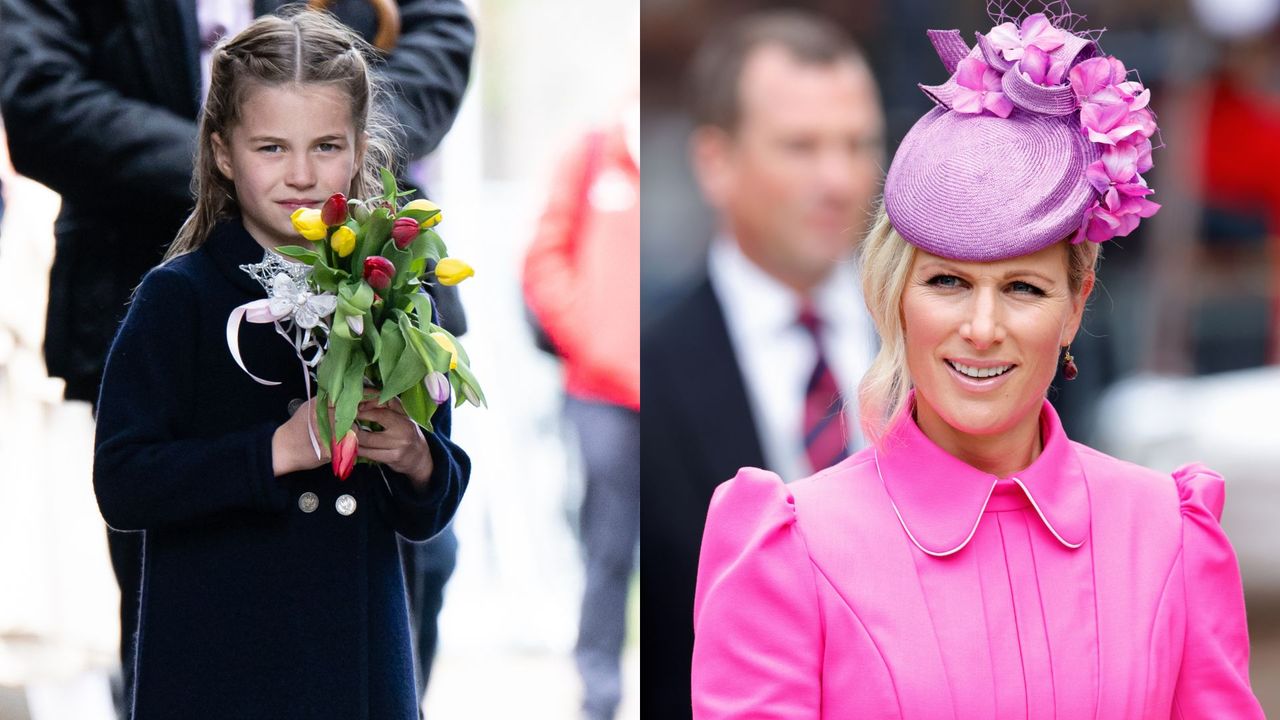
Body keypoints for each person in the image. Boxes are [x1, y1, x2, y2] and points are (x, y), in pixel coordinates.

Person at [691, 9, 1266, 718]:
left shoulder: (1169, 533)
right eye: (948, 282)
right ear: (896, 296)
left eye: (1023, 288)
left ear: (1075, 306)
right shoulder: (787, 546)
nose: (983, 328)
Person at [0, 1, 473, 714]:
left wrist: (417, 460)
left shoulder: (393, 296)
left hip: (356, 663)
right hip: (217, 663)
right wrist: (271, 452)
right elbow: (125, 482)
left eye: (327, 147)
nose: (303, 175)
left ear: (361, 147)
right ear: (223, 152)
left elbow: (430, 500)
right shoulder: (176, 298)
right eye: (271, 149)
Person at [640, 11, 883, 718]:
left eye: (858, 143)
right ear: (716, 162)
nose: (838, 179)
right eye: (801, 147)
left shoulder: (944, 342)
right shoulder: (654, 373)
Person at [522, 92, 640, 720]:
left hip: (666, 391)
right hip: (601, 396)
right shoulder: (593, 153)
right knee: (607, 548)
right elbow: (544, 260)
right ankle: (600, 695)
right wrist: (594, 341)